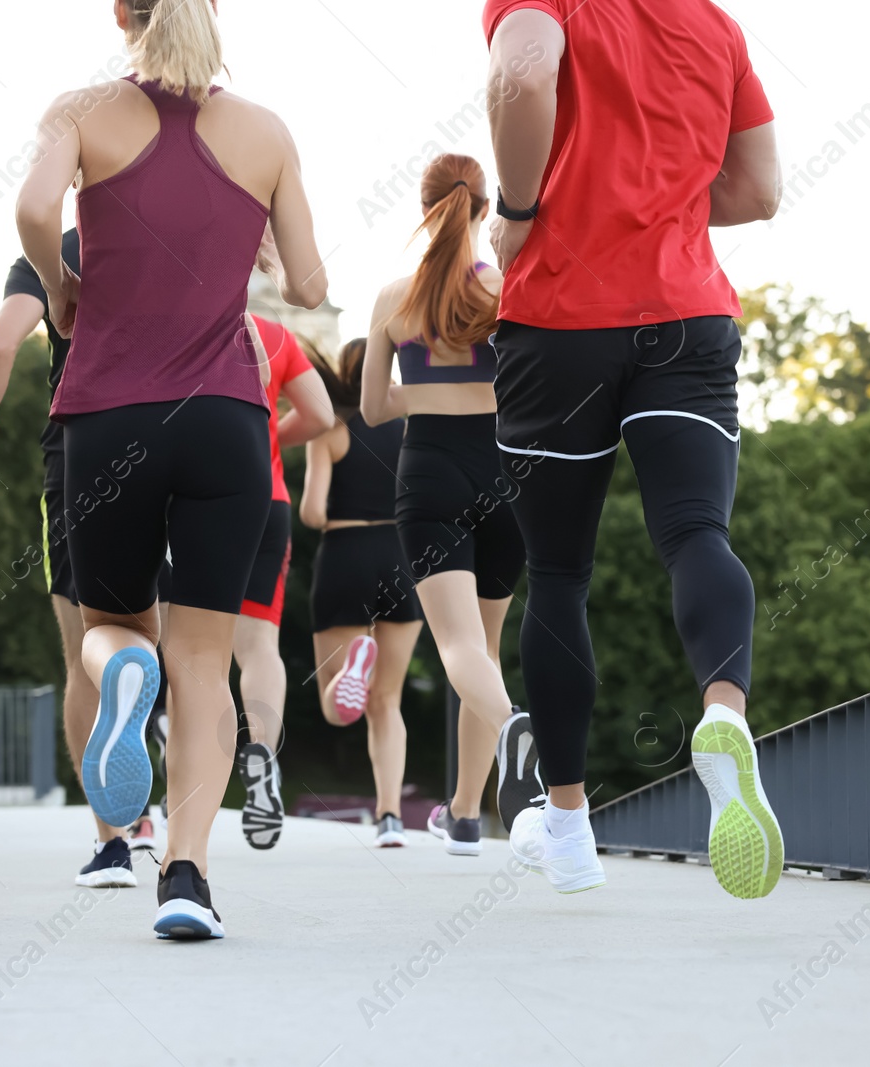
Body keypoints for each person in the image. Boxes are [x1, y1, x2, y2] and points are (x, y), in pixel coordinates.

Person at [15, 0, 325, 940]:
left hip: (107, 417)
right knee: (206, 663)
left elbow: (34, 210)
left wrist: (61, 291)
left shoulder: (79, 111)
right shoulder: (265, 131)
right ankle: (185, 877)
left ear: (122, 12)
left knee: (108, 630)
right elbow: (310, 288)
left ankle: (126, 670)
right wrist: (259, 243)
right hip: (228, 425)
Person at [482, 0, 784, 897]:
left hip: (559, 322)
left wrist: (520, 209)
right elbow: (760, 191)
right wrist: (665, 209)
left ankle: (569, 824)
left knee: (560, 575)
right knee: (698, 535)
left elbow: (524, 74)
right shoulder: (715, 26)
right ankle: (722, 710)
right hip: (688, 315)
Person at [0, 227, 162, 890]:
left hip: (84, 445)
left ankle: (112, 843)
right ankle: (185, 859)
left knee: (87, 652)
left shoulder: (61, 249)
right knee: (179, 647)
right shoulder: (187, 231)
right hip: (185, 442)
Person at [359, 153, 543, 859]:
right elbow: (536, 390)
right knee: (486, 647)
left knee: (460, 648)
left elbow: (375, 407)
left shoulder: (392, 299)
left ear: (427, 206)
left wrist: (426, 392)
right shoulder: (507, 287)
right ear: (482, 210)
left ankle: (512, 725)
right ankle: (466, 814)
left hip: (431, 470)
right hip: (506, 475)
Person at [302, 339, 425, 848]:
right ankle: (391, 816)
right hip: (399, 554)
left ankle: (349, 670)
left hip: (345, 553)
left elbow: (311, 511)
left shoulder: (329, 431)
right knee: (387, 700)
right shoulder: (413, 426)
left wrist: (337, 517)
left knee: (336, 704)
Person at [235, 315, 335, 851]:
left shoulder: (172, 320)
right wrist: (269, 434)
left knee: (191, 651)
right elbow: (319, 413)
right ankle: (262, 756)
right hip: (266, 500)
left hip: (192, 507)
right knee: (258, 650)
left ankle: (173, 799)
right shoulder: (273, 333)